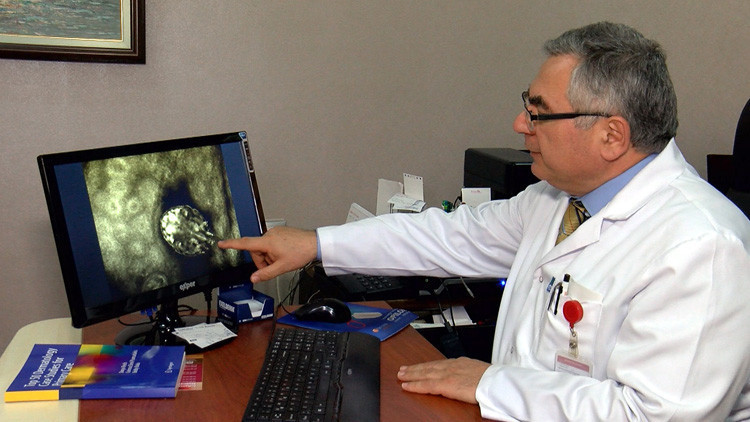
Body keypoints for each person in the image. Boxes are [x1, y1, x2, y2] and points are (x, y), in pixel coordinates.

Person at [219, 22, 750, 421]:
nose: (520, 124)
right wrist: (316, 244)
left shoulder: (703, 246)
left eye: (539, 111)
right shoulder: (557, 199)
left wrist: (493, 385)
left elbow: (653, 415)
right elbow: (450, 236)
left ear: (611, 136)